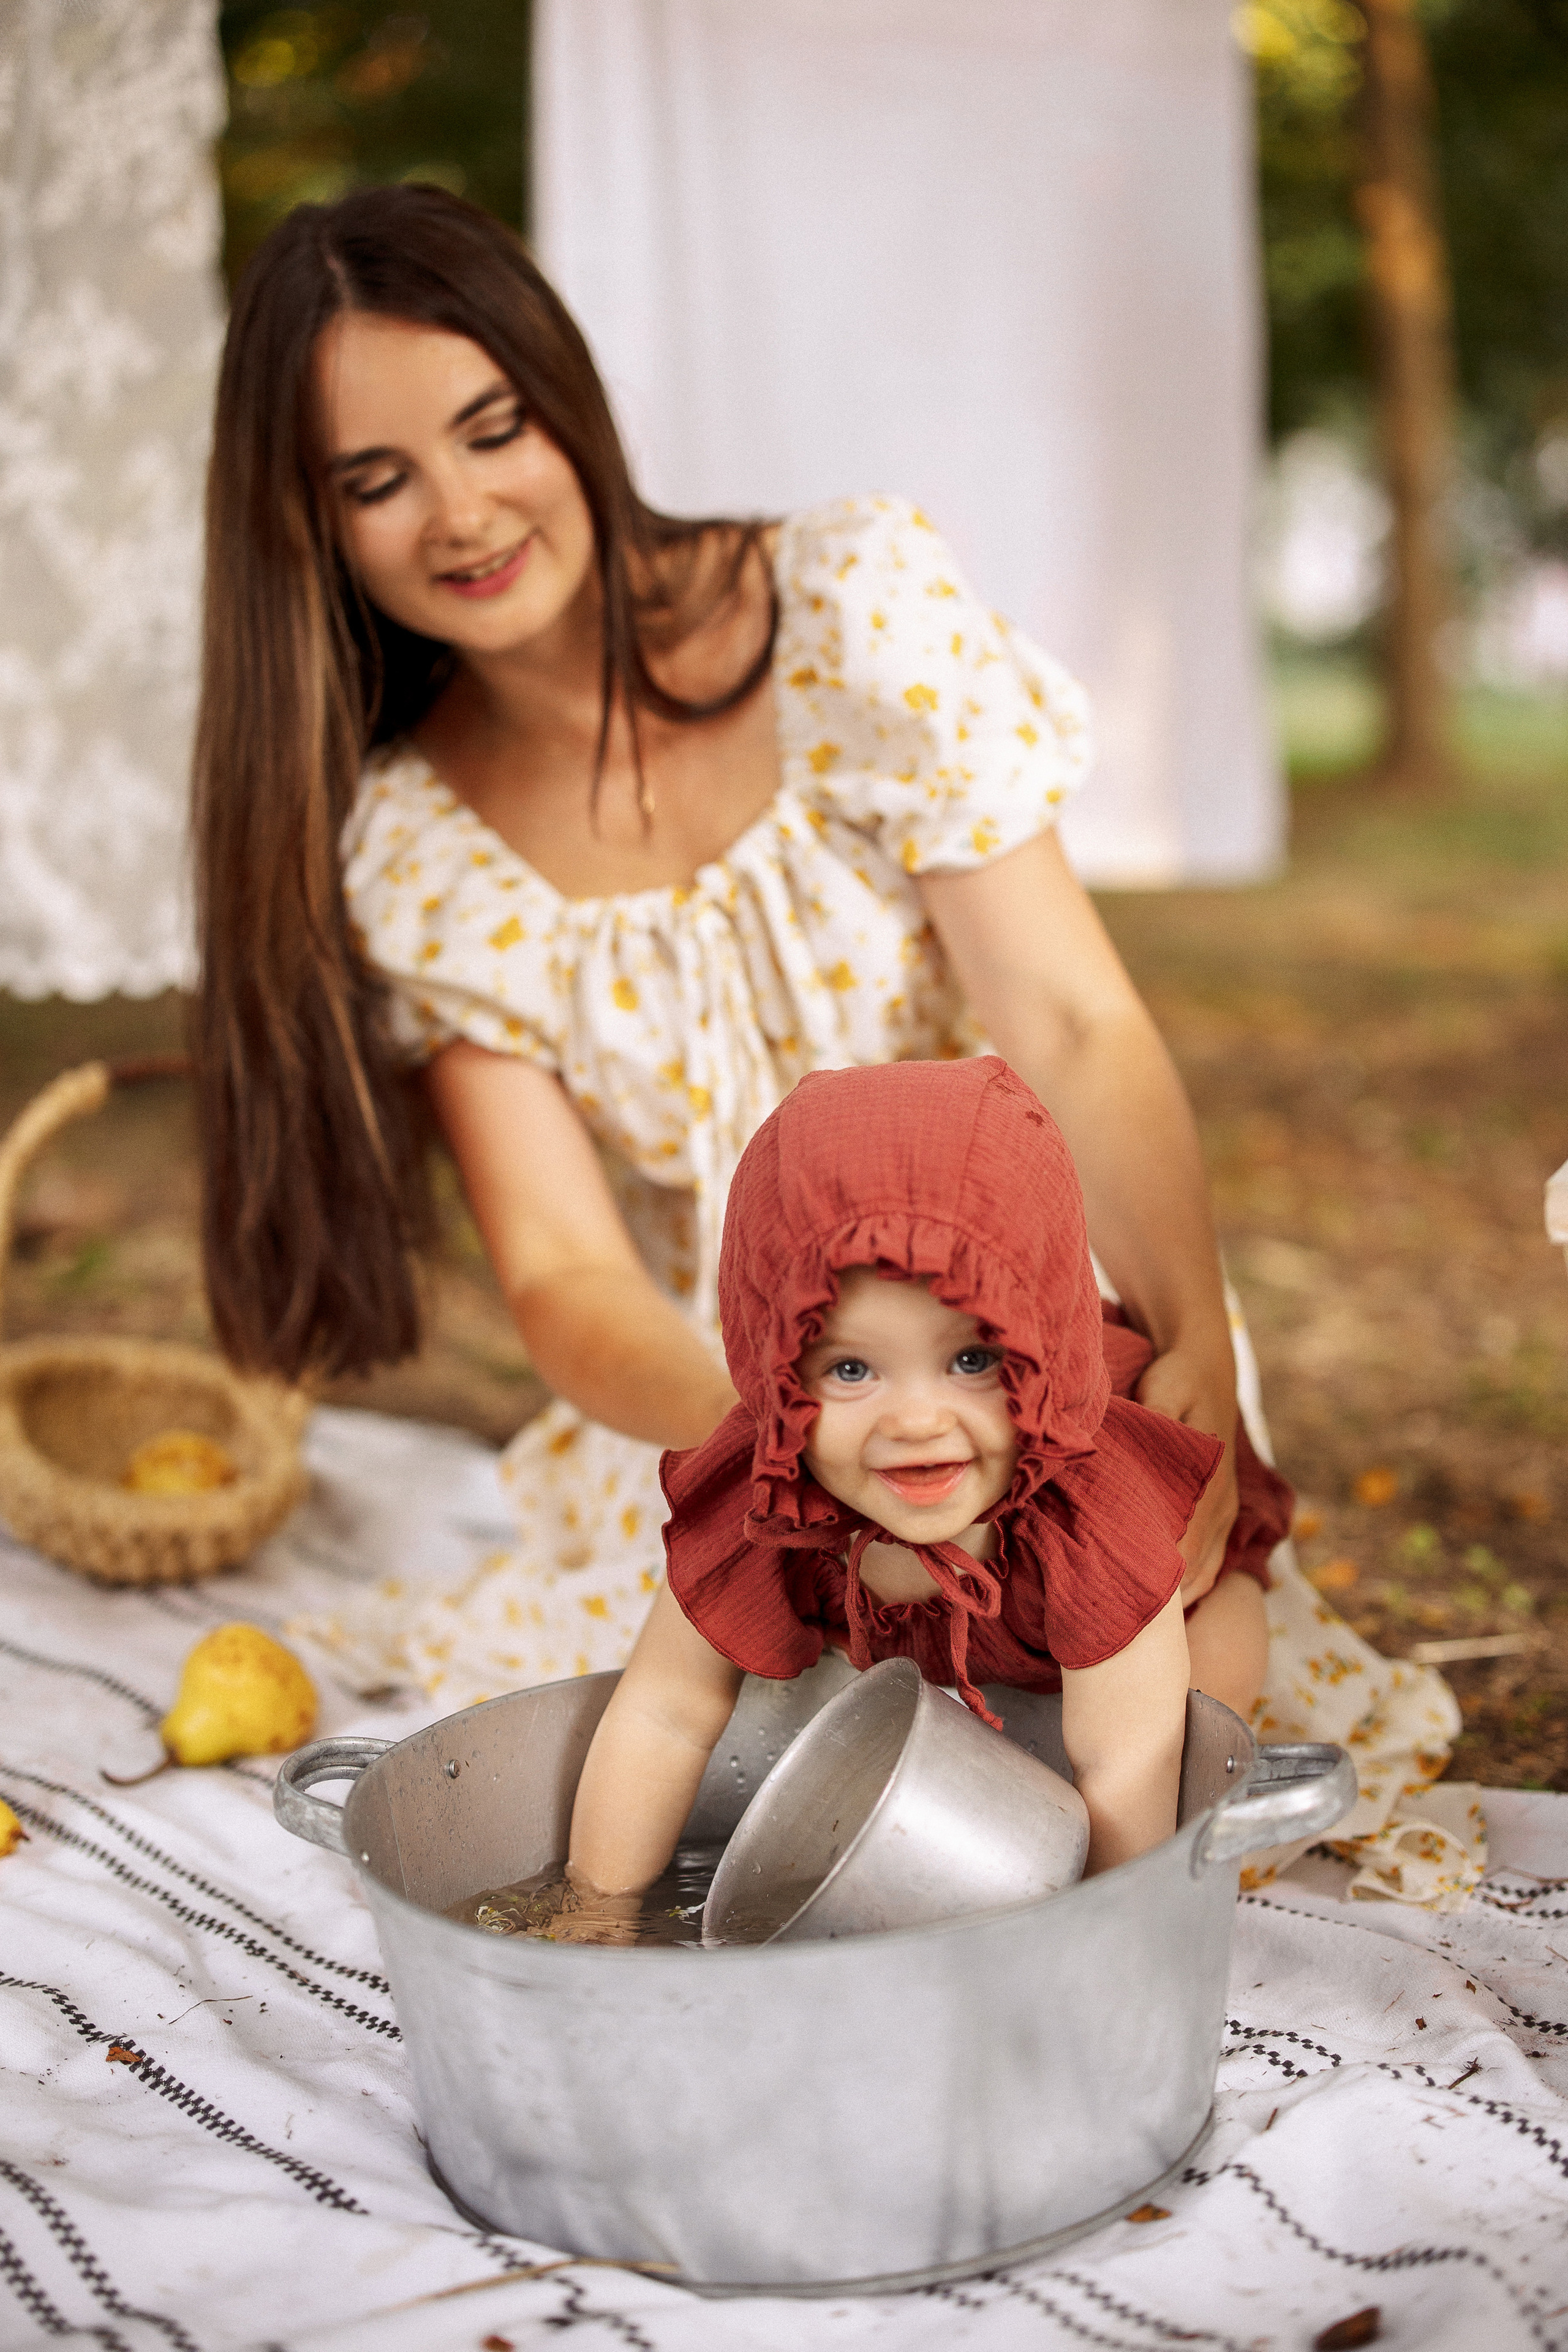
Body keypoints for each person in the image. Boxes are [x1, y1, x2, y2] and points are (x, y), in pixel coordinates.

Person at [193, 186, 1474, 1904]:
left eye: (491, 428)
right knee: (707, 1755)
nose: (462, 508)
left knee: (1159, 1696)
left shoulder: (848, 607)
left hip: (1026, 1359)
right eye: (376, 480)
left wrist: (1190, 1352)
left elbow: (1076, 1021)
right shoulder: (414, 850)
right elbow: (571, 1279)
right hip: (723, 1404)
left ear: (563, 403)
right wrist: (798, 1451)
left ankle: (1104, 1910)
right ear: (314, 529)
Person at [564, 1058, 1293, 1932]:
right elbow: (665, 1714)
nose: (915, 1420)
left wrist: (1090, 1943)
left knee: (1198, 1693)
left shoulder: (1092, 1515)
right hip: (962, 1609)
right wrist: (591, 1915)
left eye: (972, 1360)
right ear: (776, 1370)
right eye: (850, 1368)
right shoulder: (768, 1496)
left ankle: (1201, 1761)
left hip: (1168, 1591)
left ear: (1039, 1355)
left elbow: (1122, 1766)